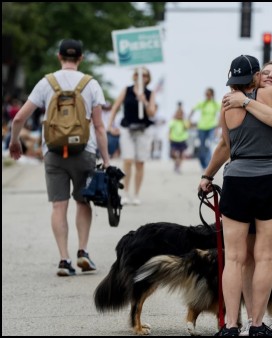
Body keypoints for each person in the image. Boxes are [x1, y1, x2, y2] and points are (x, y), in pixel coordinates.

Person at [201, 55, 272, 336]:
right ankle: (257, 325)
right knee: (265, 257)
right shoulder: (271, 94)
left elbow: (227, 145)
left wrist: (207, 177)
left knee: (234, 258)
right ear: (256, 76)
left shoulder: (227, 104)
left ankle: (231, 325)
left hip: (238, 180)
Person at [8, 38, 110, 276]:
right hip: (84, 150)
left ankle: (64, 259)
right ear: (81, 58)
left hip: (53, 152)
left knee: (58, 205)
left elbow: (19, 118)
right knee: (83, 201)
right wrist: (106, 159)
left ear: (59, 57)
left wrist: (14, 142)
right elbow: (99, 126)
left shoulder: (46, 83)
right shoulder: (91, 84)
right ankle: (83, 251)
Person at [107, 67, 157, 205]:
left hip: (143, 130)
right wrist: (110, 125)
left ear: (148, 78)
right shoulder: (127, 90)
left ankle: (136, 194)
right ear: (134, 76)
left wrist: (144, 101)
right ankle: (125, 192)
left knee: (140, 162)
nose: (141, 77)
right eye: (137, 74)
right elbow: (115, 107)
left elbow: (152, 113)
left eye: (144, 75)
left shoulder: (150, 93)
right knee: (127, 160)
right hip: (127, 129)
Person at [189, 87, 220, 170]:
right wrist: (189, 119)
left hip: (211, 127)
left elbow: (222, 112)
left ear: (212, 95)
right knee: (201, 147)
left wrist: (218, 127)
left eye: (209, 94)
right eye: (206, 94)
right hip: (201, 127)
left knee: (210, 145)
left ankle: (209, 165)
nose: (207, 95)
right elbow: (193, 109)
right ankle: (203, 165)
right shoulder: (202, 103)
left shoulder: (215, 104)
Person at [168, 102, 189, 174]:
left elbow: (186, 127)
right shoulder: (173, 121)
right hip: (174, 139)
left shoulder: (184, 121)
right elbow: (170, 130)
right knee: (174, 154)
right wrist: (169, 137)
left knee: (181, 155)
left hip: (182, 139)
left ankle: (178, 166)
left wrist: (183, 120)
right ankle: (176, 164)